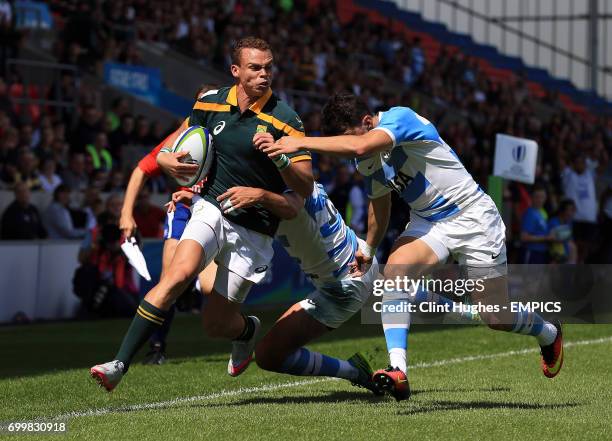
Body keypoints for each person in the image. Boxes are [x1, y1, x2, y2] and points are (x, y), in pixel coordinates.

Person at [260, 93, 563, 400]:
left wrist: (300, 142)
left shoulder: (400, 118)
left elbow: (360, 144)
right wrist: (369, 248)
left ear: (367, 122)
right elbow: (379, 204)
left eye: (345, 138)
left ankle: (548, 332)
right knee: (395, 274)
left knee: (496, 317)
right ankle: (398, 371)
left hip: (473, 218)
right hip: (429, 223)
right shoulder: (363, 156)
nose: (346, 148)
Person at [90, 36, 314, 391]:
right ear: (236, 71)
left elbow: (304, 186)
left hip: (254, 232)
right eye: (255, 68)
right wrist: (166, 161)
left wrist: (281, 159)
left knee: (215, 325)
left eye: (268, 67)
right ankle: (119, 364)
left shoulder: (285, 118)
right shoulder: (209, 103)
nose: (264, 75)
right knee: (176, 276)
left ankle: (247, 330)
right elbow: (172, 147)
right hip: (211, 209)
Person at [118, 87, 217, 364]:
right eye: (201, 103)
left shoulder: (229, 133)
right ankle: (157, 348)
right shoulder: (185, 134)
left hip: (216, 212)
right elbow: (142, 168)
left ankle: (241, 335)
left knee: (210, 288)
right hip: (183, 211)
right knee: (168, 282)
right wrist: (126, 214)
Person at [520, 186, 554, 264]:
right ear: (531, 198)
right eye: (537, 197)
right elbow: (524, 237)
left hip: (542, 252)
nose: (540, 200)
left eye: (542, 197)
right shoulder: (530, 213)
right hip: (532, 252)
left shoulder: (543, 212)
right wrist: (546, 238)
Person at [548, 199, 577, 264]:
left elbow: (570, 240)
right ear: (562, 210)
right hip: (554, 257)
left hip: (566, 256)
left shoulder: (569, 223)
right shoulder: (553, 222)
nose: (570, 213)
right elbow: (553, 239)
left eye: (572, 210)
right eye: (568, 210)